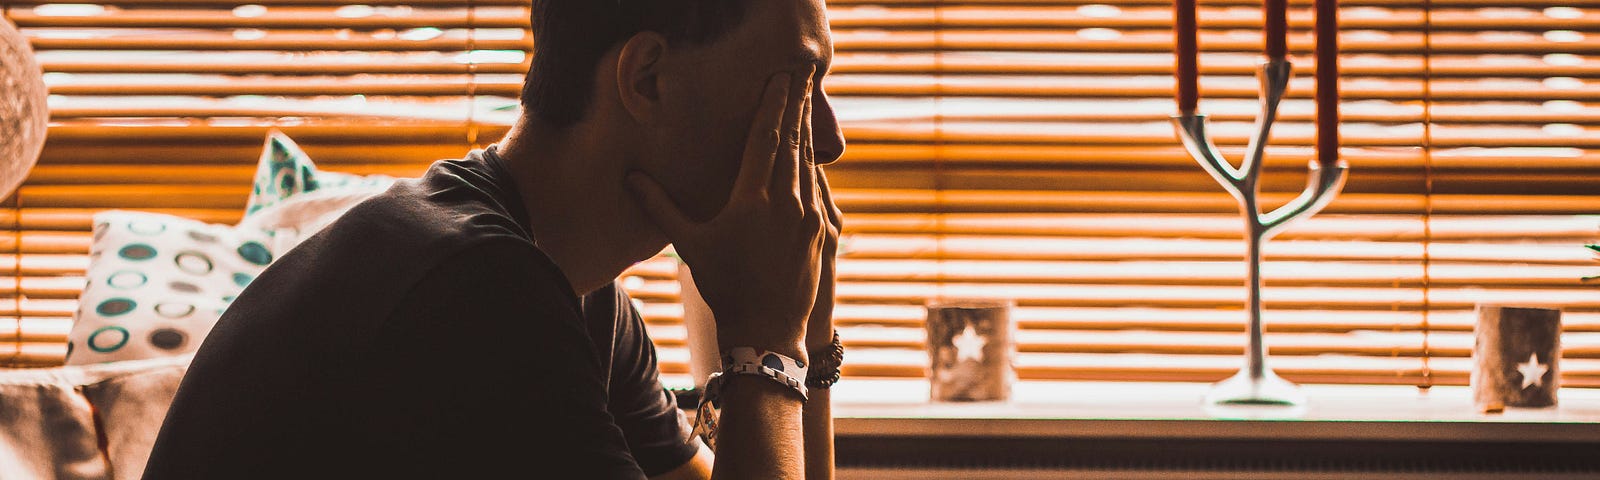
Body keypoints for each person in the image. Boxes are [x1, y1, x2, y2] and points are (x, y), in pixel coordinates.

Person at [142, 0, 845, 478]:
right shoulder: (474, 298)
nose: (831, 139)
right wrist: (764, 343)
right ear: (648, 79)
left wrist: (802, 340)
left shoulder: (577, 294)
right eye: (798, 81)